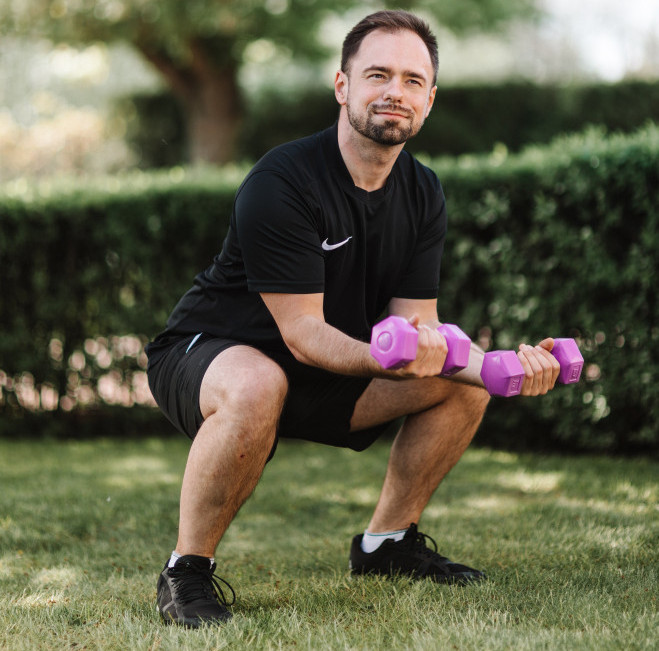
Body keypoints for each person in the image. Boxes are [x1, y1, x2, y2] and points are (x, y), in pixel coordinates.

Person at [146, 10, 561, 628]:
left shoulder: (423, 192)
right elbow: (302, 335)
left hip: (320, 370)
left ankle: (387, 545)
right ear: (343, 86)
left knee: (459, 379)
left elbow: (421, 331)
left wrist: (507, 370)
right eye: (378, 75)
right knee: (261, 381)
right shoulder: (283, 181)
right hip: (213, 352)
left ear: (430, 99)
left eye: (413, 81)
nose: (396, 91)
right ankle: (186, 572)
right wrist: (392, 358)